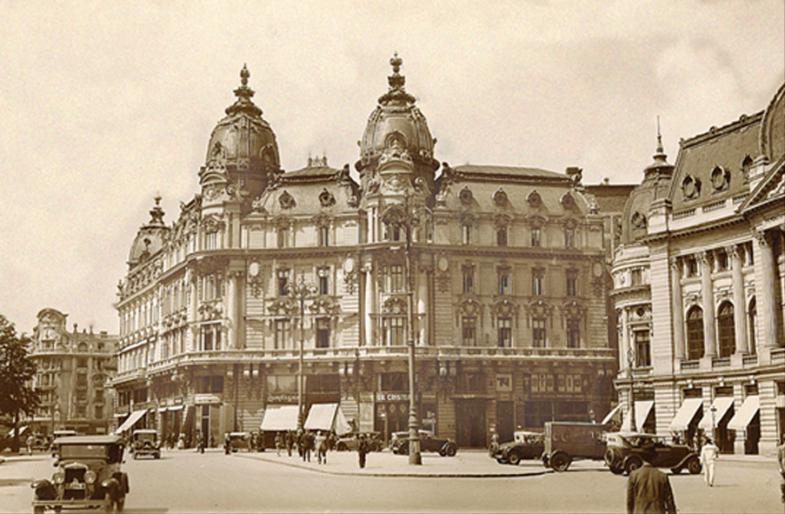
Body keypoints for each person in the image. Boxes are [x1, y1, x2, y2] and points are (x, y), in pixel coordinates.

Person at [626, 440, 677, 514]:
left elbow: (629, 502)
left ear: (642, 458)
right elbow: (670, 503)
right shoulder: (662, 476)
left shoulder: (633, 476)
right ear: (655, 457)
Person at [776, 433, 785, 504]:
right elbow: (779, 459)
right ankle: (784, 495)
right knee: (783, 483)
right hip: (784, 467)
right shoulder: (781, 448)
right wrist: (781, 468)